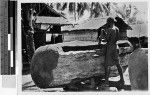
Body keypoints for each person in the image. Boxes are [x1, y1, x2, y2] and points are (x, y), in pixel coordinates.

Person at [100, 17, 125, 87]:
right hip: (116, 47)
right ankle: (122, 79)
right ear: (113, 22)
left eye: (107, 22)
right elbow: (117, 38)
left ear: (109, 22)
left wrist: (103, 33)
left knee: (107, 65)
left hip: (110, 48)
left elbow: (106, 39)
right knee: (118, 64)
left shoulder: (110, 29)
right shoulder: (117, 28)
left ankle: (106, 82)